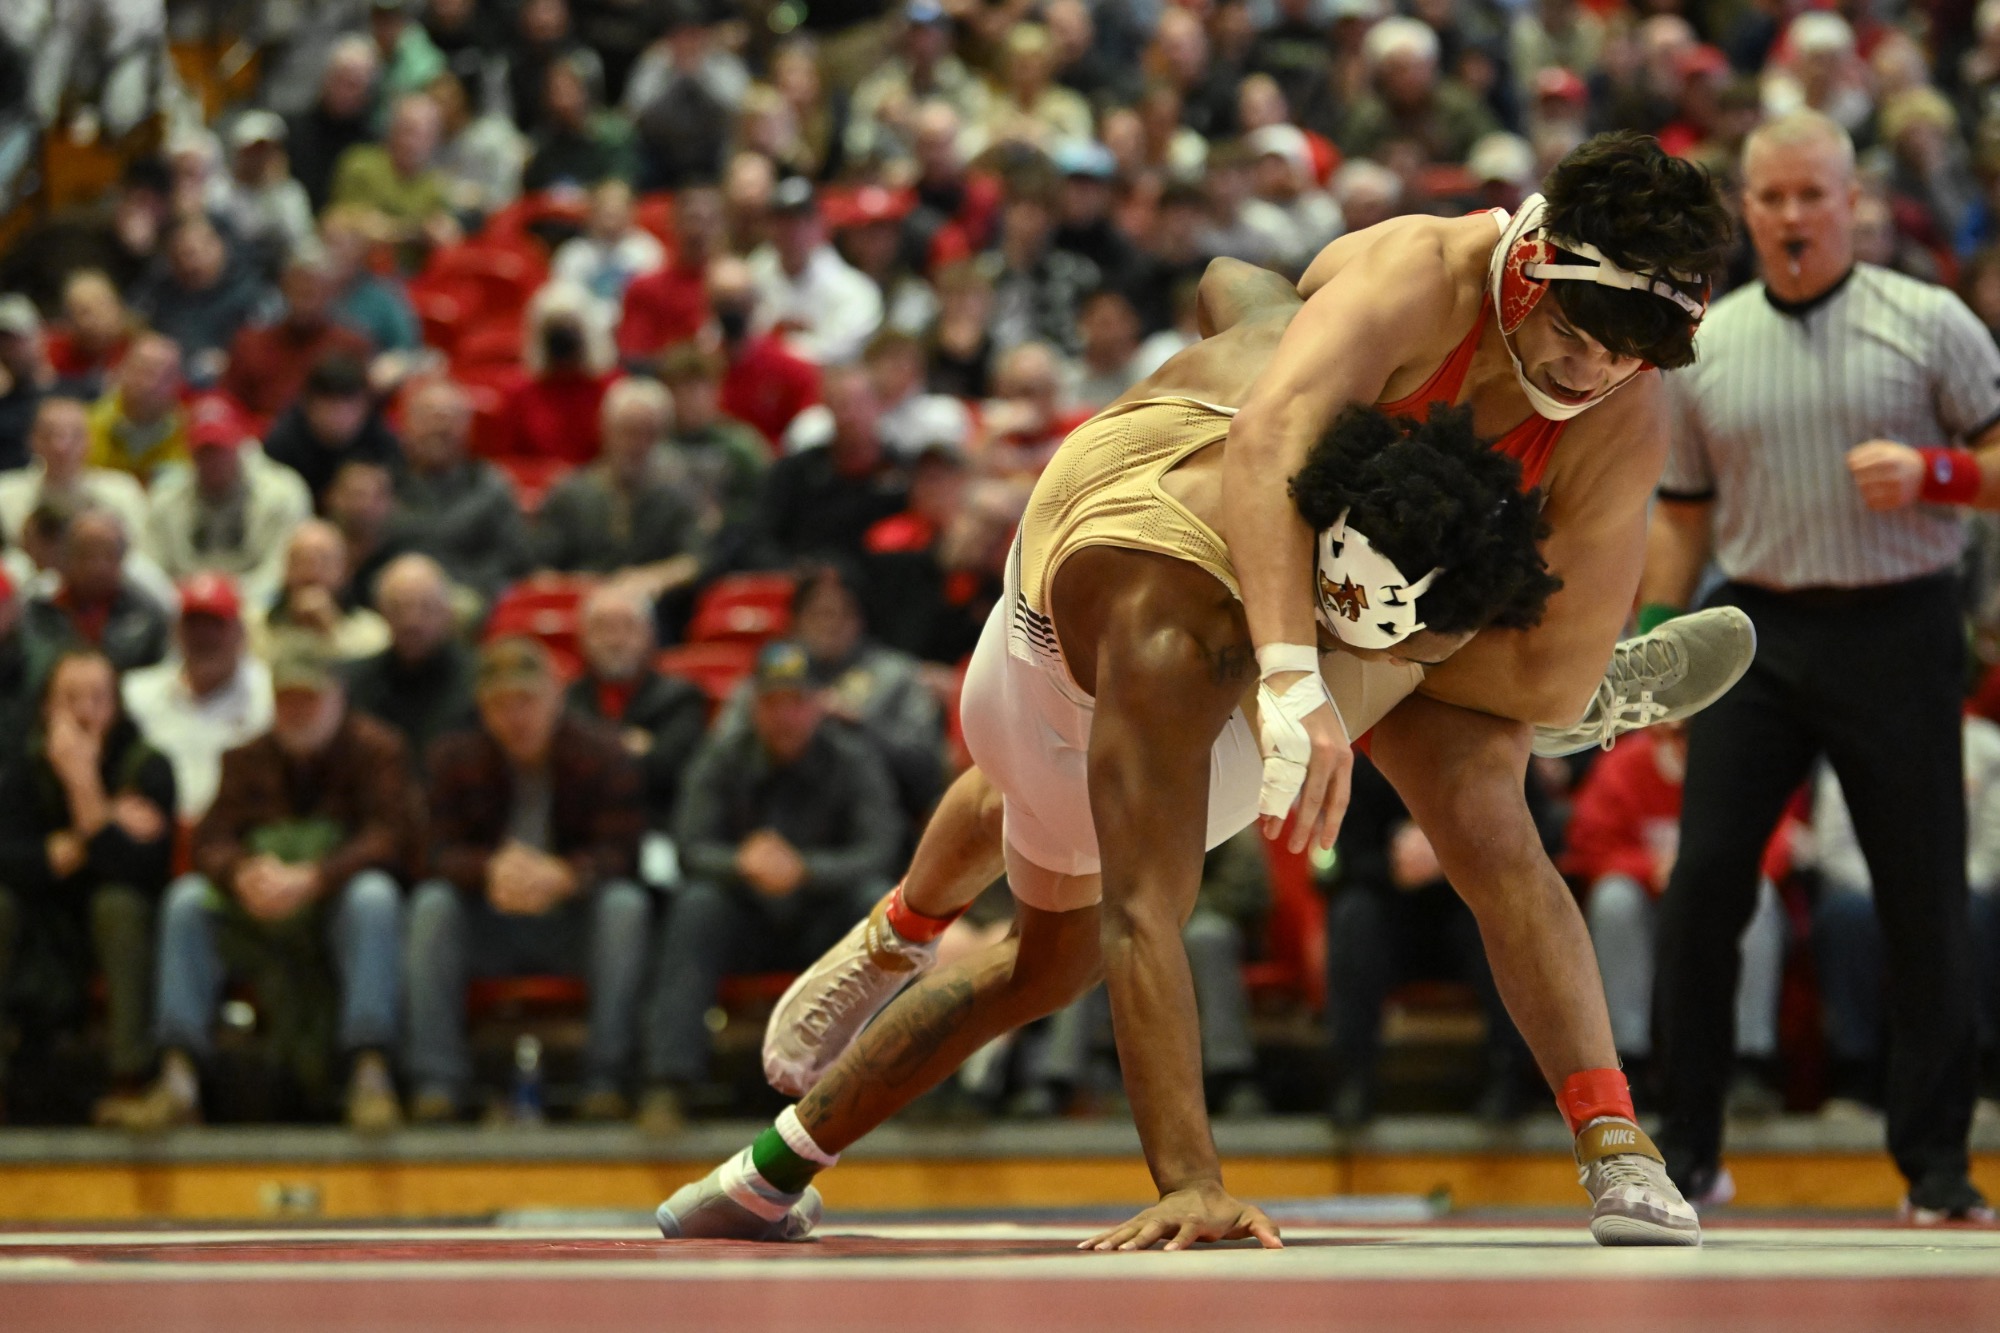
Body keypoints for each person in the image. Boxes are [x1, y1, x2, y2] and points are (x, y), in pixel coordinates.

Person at [747, 131, 1750, 1246]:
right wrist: (1289, 680)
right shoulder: (1417, 275)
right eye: (1574, 336)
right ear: (1530, 264)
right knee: (1066, 789)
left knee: (1490, 809)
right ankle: (896, 936)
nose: (1589, 373)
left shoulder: (1621, 399)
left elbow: (1549, 654)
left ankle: (1614, 1139)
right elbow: (1273, 444)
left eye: (1624, 357)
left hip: (1405, 586)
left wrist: (1483, 670)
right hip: (1248, 521)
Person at [662, 331, 1569, 1244]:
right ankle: (1534, 701)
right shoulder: (1178, 640)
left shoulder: (1266, 365)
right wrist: (1191, 1180)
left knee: (1009, 793)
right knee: (1052, 962)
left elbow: (1230, 278)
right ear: (1361, 591)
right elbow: (1140, 918)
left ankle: (892, 942)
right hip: (1078, 727)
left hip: (1013, 676)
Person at [1644, 111, 2000, 1223]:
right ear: (1741, 210)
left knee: (1918, 898)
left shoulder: (1929, 320)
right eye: (1770, 198)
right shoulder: (1702, 342)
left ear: (1855, 203)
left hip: (1896, 624)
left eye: (1812, 195)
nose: (1791, 216)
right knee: (1702, 882)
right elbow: (1681, 519)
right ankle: (1684, 1155)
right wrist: (1655, 650)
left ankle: (1934, 1170)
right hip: (1749, 629)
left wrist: (1938, 469)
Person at [109, 632, 414, 1133]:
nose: (297, 709)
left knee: (374, 898)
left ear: (338, 696)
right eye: (286, 697)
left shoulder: (379, 751)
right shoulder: (245, 756)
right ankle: (178, 1078)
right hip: (259, 914)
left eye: (308, 697)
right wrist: (243, 874)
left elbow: (392, 837)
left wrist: (315, 877)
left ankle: (370, 1074)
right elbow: (210, 842)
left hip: (334, 911)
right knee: (187, 902)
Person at [640, 640, 903, 1135]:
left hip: (822, 922)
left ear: (818, 704)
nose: (785, 715)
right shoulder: (722, 757)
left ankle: (875, 1080)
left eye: (796, 701)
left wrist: (802, 868)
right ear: (752, 705)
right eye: (771, 702)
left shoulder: (852, 759)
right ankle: (668, 1084)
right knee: (696, 904)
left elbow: (879, 851)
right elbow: (689, 847)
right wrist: (744, 862)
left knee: (872, 903)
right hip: (744, 919)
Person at [404, 637, 648, 1122]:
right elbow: (426, 851)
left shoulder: (603, 752)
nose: (516, 717)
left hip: (572, 924)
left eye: (527, 701)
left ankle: (607, 1079)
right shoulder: (453, 758)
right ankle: (436, 1080)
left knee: (625, 905)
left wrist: (565, 875)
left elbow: (627, 850)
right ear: (482, 708)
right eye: (500, 704)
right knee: (432, 904)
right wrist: (489, 870)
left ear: (556, 698)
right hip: (488, 921)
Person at [1563, 723, 1787, 1110]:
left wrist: (1702, 872)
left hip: (1717, 906)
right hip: (1647, 912)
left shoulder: (1738, 768)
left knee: (1760, 896)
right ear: (1661, 732)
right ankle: (1626, 1061)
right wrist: (1649, 868)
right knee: (1613, 900)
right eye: (1683, 733)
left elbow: (1777, 842)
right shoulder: (1622, 768)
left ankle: (1751, 1061)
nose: (1692, 743)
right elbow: (1588, 845)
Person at [0, 650, 174, 1124]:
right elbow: (9, 859)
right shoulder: (19, 767)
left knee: (116, 905)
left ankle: (130, 1079)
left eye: (98, 698)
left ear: (117, 707)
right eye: (69, 699)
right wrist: (101, 824)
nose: (84, 712)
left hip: (122, 930)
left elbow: (136, 869)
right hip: (40, 925)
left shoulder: (148, 765)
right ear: (45, 709)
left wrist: (82, 787)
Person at [1327, 753, 1544, 1125]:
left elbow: (1540, 844)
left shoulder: (1494, 752)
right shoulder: (1363, 764)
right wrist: (1392, 866)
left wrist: (1449, 859)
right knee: (1354, 915)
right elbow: (1339, 861)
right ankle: (1353, 1076)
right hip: (1393, 917)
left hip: (1466, 915)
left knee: (1499, 917)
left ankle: (1508, 1076)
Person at [1806, 714, 2000, 1119]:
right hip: (1869, 888)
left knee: (1975, 914)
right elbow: (1833, 846)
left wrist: (1936, 895)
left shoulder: (1987, 747)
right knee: (1845, 915)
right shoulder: (1850, 742)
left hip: (1959, 886)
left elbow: (1992, 845)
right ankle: (1853, 1073)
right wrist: (1895, 894)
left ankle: (1978, 1071)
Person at [121, 573, 275, 821]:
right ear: (176, 631)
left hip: (238, 832)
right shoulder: (136, 693)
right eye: (194, 624)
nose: (204, 636)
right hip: (160, 836)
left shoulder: (270, 695)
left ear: (240, 631)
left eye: (216, 625)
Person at [531, 377, 700, 594]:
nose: (638, 444)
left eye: (649, 433)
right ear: (606, 431)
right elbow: (540, 569)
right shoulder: (571, 494)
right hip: (581, 606)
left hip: (657, 611)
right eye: (629, 431)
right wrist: (585, 586)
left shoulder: (677, 495)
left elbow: (696, 560)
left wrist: (652, 578)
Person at [141, 398, 313, 608]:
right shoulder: (165, 498)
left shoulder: (282, 494)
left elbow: (278, 569)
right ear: (189, 452)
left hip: (255, 607)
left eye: (221, 450)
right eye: (204, 452)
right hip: (183, 609)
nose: (213, 461)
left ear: (241, 444)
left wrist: (229, 600)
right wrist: (186, 599)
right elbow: (150, 569)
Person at [566, 582, 708, 832]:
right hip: (579, 832)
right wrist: (627, 744)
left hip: (656, 828)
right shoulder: (565, 698)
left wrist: (592, 744)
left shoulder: (681, 697)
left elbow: (668, 770)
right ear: (583, 638)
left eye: (627, 628)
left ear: (650, 635)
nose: (615, 640)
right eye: (603, 629)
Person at [387, 378, 531, 601]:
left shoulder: (491, 488)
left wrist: (449, 593)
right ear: (405, 426)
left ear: (468, 429)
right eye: (427, 418)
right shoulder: (385, 487)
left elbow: (511, 561)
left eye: (447, 420)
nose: (437, 428)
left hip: (468, 601)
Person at [752, 366, 907, 566]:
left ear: (880, 404)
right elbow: (762, 540)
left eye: (860, 404)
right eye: (841, 405)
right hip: (806, 580)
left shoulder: (905, 473)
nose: (851, 415)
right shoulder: (794, 473)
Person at [344, 552, 478, 764]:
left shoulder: (478, 680)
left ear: (447, 613)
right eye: (399, 608)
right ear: (382, 613)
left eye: (426, 607)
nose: (412, 621)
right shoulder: (353, 683)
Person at [219, 249, 375, 423]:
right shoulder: (249, 343)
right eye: (298, 286)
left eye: (313, 288)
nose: (305, 296)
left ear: (332, 292)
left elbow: (362, 413)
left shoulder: (352, 345)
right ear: (284, 287)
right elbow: (227, 407)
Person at [747, 177, 884, 367]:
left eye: (803, 220)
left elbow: (840, 351)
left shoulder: (855, 290)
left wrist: (775, 348)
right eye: (782, 221)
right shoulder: (748, 276)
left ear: (821, 224)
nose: (793, 231)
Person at [21, 509, 170, 676]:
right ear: (66, 557)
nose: (97, 566)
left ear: (122, 559)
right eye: (86, 554)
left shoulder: (146, 616)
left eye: (107, 555)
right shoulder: (38, 610)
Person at [130, 218, 275, 386]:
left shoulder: (254, 295)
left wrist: (231, 360)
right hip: (170, 387)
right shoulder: (158, 292)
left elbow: (266, 358)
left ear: (219, 246)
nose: (192, 263)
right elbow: (134, 329)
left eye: (198, 252)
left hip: (233, 388)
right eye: (181, 255)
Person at [0, 398, 148, 555]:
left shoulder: (123, 490)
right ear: (32, 440)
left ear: (90, 441)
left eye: (74, 436)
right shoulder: (4, 493)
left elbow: (140, 553)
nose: (60, 446)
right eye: (49, 435)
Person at [656, 341, 769, 540]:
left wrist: (727, 518)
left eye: (697, 391)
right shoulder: (657, 444)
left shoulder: (739, 446)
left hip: (725, 544)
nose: (690, 401)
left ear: (716, 392)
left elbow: (762, 505)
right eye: (680, 391)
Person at [262, 352, 406, 507]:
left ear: (366, 406)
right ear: (308, 405)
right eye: (330, 408)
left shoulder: (381, 443)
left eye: (349, 409)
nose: (339, 418)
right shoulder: (282, 444)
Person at [501, 283, 618, 466]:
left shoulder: (611, 389)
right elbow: (511, 461)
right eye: (554, 326)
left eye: (570, 325)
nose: (563, 335)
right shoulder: (519, 393)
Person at [250, 520, 392, 663]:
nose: (311, 572)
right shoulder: (256, 627)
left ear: (344, 571)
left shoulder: (372, 632)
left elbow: (368, 677)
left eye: (324, 561)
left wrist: (331, 631)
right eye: (300, 561)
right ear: (285, 569)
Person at [617, 186, 722, 365]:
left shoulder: (734, 291)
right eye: (692, 219)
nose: (699, 230)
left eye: (709, 221)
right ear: (673, 223)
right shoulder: (644, 288)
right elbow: (633, 359)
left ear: (722, 228)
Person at [549, 179, 666, 333]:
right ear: (591, 213)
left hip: (633, 330)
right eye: (605, 211)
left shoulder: (647, 251)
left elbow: (652, 303)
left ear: (631, 211)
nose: (610, 218)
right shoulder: (572, 254)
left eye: (617, 211)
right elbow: (565, 304)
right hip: (584, 332)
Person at [86, 333, 189, 484]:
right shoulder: (87, 426)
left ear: (178, 383)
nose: (150, 383)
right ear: (121, 371)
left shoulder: (190, 434)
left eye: (163, 376)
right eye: (142, 370)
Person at [0, 293, 54, 472]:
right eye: (3, 340)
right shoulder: (5, 407)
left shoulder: (79, 390)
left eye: (18, 338)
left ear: (41, 335)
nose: (10, 348)